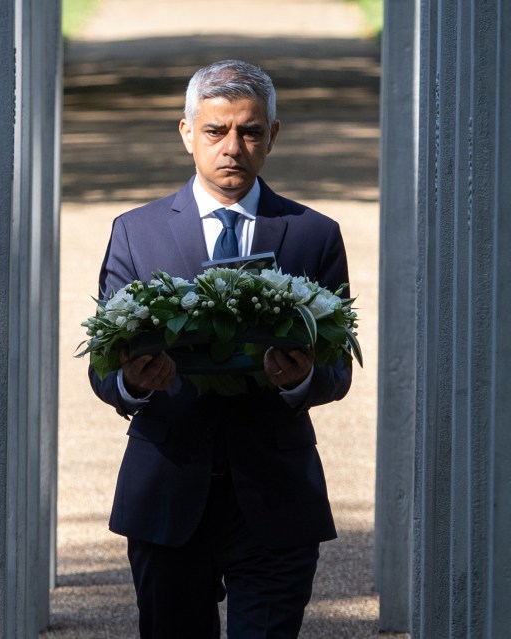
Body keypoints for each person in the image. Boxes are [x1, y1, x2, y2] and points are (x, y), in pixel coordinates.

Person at [88, 59, 353, 638]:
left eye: (250, 131)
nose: (232, 146)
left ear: (272, 137)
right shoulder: (138, 231)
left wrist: (300, 378)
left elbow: (337, 370)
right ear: (187, 133)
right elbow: (105, 371)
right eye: (215, 131)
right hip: (167, 493)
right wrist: (135, 381)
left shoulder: (314, 234)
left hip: (277, 495)